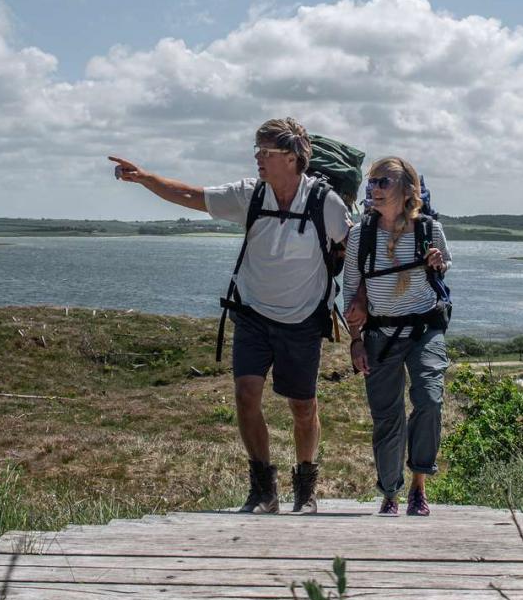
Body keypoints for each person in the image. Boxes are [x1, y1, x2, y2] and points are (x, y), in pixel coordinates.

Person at [109, 118, 349, 515]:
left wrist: (363, 303)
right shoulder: (249, 194)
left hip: (303, 318)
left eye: (266, 152)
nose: (258, 158)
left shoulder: (326, 203)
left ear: (292, 158)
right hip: (252, 312)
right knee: (245, 395)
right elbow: (192, 195)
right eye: (257, 150)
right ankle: (263, 490)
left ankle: (306, 488)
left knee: (303, 407)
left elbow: (355, 249)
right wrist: (145, 177)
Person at [342, 157, 452, 516]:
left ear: (408, 190)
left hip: (424, 329)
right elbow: (351, 290)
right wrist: (355, 340)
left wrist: (437, 262)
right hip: (379, 333)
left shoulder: (429, 229)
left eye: (383, 182)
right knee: (387, 417)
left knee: (429, 400)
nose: (374, 188)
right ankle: (390, 493)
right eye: (371, 182)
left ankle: (419, 486)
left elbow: (444, 267)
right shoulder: (360, 235)